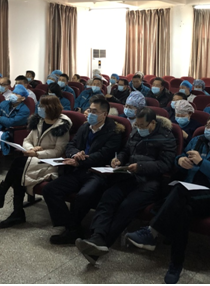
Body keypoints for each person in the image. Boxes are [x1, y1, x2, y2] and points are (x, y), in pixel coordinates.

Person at [126, 114, 210, 284]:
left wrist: (202, 163)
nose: (206, 128)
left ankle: (152, 232)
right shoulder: (197, 141)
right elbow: (179, 158)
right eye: (207, 125)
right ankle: (175, 264)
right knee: (183, 212)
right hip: (187, 193)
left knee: (180, 191)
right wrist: (180, 161)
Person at [75, 107, 176, 265]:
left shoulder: (166, 137)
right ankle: (97, 237)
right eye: (137, 125)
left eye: (142, 126)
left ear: (152, 123)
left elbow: (165, 165)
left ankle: (102, 244)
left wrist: (140, 167)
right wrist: (119, 159)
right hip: (129, 175)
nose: (139, 128)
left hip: (151, 182)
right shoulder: (136, 132)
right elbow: (126, 150)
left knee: (126, 206)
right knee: (108, 197)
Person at [0, 96, 72, 228]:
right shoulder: (38, 121)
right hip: (32, 159)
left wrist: (37, 153)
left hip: (49, 162)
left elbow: (58, 151)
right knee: (19, 168)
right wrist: (31, 149)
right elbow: (27, 140)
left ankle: (3, 200)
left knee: (18, 165)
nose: (39, 108)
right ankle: (12, 208)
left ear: (51, 108)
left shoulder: (62, 126)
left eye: (42, 106)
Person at [43, 97, 125, 244]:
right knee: (50, 189)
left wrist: (80, 160)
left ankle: (72, 229)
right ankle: (71, 227)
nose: (90, 114)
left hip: (97, 173)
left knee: (84, 195)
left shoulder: (114, 131)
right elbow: (71, 145)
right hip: (78, 170)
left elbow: (103, 155)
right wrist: (75, 154)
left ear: (104, 114)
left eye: (94, 111)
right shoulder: (85, 127)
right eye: (89, 110)